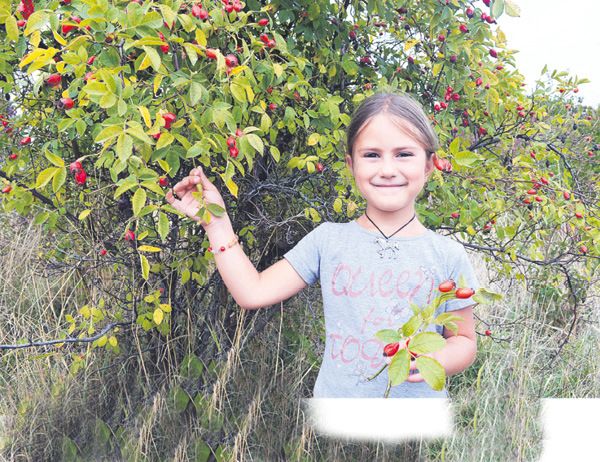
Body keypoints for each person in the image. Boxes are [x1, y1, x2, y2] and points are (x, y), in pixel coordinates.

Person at [166, 92, 480, 399]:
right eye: (371, 155)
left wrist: (436, 360)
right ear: (351, 164)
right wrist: (215, 223)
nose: (387, 169)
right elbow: (252, 292)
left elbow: (464, 340)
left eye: (404, 154)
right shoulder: (328, 240)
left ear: (429, 165)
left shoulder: (448, 255)